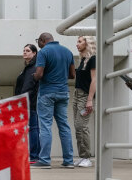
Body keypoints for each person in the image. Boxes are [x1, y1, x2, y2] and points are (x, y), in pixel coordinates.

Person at [31, 33, 76, 169]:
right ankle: (68, 160)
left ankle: (44, 160)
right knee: (64, 126)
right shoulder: (68, 52)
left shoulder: (43, 52)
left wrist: (33, 77)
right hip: (63, 92)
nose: (38, 44)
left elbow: (39, 74)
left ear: (42, 40)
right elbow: (73, 75)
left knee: (45, 126)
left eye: (38, 41)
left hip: (47, 93)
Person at [73, 36, 97, 168]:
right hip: (77, 95)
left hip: (85, 96)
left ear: (88, 43)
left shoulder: (93, 59)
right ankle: (82, 156)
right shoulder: (83, 60)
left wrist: (89, 100)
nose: (77, 44)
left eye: (80, 41)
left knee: (82, 126)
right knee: (77, 127)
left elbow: (94, 80)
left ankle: (87, 157)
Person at [14, 44, 40, 164]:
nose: (24, 52)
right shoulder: (27, 67)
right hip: (25, 103)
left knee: (33, 129)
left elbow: (28, 87)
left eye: (28, 51)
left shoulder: (34, 67)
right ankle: (31, 155)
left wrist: (21, 102)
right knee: (30, 129)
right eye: (23, 50)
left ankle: (34, 156)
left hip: (30, 103)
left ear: (34, 53)